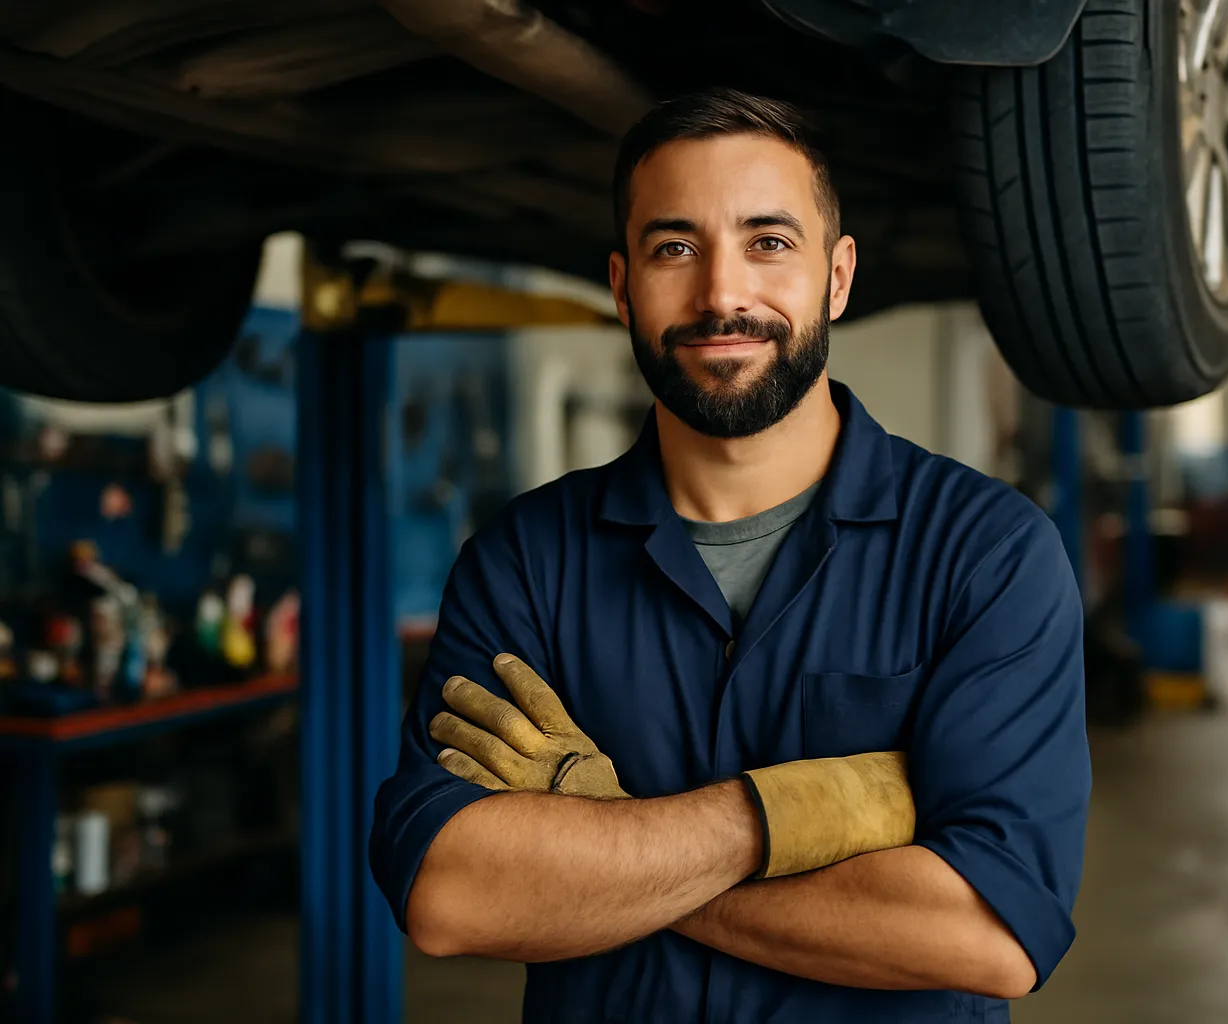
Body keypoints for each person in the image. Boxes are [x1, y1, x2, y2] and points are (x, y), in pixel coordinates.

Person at [369, 87, 1089, 1023]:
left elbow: (988, 936)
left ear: (837, 277)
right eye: (676, 248)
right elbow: (451, 897)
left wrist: (606, 841)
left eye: (769, 243)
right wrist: (783, 815)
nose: (721, 294)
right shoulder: (525, 561)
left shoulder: (987, 555)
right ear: (624, 285)